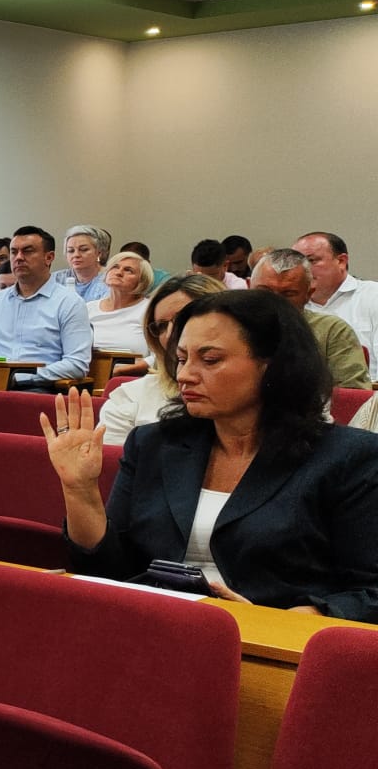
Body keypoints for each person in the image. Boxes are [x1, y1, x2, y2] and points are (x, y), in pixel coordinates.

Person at [48, 291, 378, 618]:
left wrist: (291, 618)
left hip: (269, 638)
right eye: (181, 359)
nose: (184, 375)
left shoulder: (349, 458)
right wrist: (80, 490)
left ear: (273, 365)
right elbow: (109, 572)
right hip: (151, 623)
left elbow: (370, 592)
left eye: (210, 360)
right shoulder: (153, 444)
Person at [98, 274, 225, 446]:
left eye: (182, 320)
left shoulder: (248, 403)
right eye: (161, 326)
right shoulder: (130, 396)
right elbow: (112, 459)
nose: (170, 333)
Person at [0, 226, 92, 390]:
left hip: (38, 387)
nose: (19, 258)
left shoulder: (69, 303)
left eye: (27, 251)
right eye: (14, 252)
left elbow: (77, 365)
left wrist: (21, 377)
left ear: (49, 257)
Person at [250, 249, 371, 391]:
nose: (274, 301)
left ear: (308, 294)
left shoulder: (331, 331)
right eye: (264, 291)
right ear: (249, 287)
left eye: (288, 294)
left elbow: (352, 394)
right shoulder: (231, 326)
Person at [295, 232, 378, 353]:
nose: (302, 269)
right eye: (296, 263)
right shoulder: (291, 303)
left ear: (341, 261)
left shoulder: (373, 296)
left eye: (311, 260)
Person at [86, 251, 155, 356]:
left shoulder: (149, 310)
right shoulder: (88, 308)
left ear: (142, 281)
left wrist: (140, 364)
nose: (118, 272)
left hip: (135, 366)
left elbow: (158, 355)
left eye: (128, 270)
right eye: (115, 267)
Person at [52, 224, 112, 302]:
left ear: (99, 253)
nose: (76, 255)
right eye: (71, 251)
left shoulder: (110, 279)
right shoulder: (56, 279)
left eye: (84, 249)